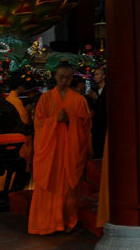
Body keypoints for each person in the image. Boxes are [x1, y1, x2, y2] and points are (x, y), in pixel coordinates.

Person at [28, 64, 92, 235]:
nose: (65, 80)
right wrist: (55, 120)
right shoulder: (46, 99)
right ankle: (46, 223)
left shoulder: (79, 100)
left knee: (69, 187)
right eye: (61, 76)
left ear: (72, 78)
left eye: (68, 77)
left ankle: (68, 221)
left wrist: (71, 121)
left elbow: (86, 126)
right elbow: (38, 124)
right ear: (55, 77)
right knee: (49, 185)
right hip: (51, 152)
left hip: (70, 151)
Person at [89, 66, 107, 160]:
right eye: (94, 75)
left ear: (104, 76)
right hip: (95, 123)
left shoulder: (108, 89)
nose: (95, 77)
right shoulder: (94, 90)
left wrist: (97, 98)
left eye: (97, 74)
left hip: (105, 122)